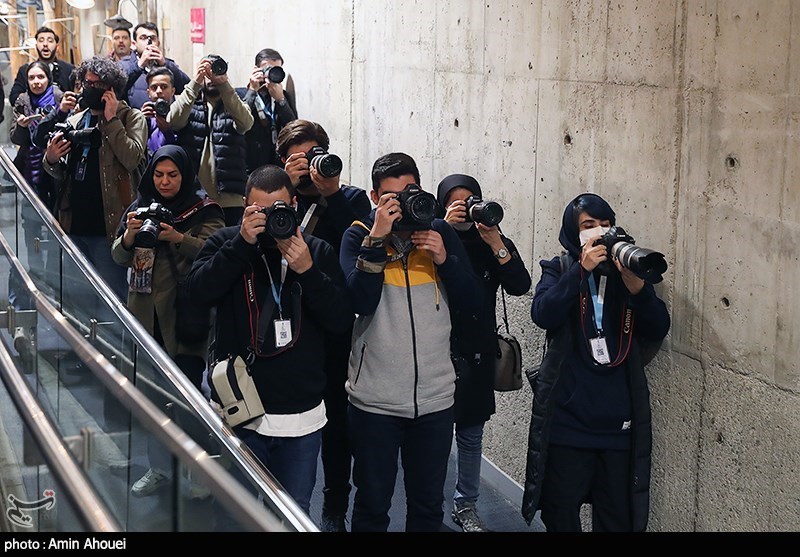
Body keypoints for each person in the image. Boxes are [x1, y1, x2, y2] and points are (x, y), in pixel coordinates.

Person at [186, 164, 354, 516]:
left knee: (293, 514)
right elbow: (197, 295)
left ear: (293, 206)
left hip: (302, 416)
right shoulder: (227, 243)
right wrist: (241, 244)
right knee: (236, 514)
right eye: (259, 211)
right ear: (245, 205)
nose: (269, 219)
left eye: (279, 210)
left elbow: (341, 321)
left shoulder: (317, 251)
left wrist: (308, 272)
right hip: (241, 411)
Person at [339, 152, 484, 532]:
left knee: (427, 507)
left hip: (435, 398)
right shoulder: (357, 235)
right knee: (372, 504)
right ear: (374, 198)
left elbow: (473, 305)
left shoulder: (440, 233)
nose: (403, 204)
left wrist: (445, 258)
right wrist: (376, 240)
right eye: (391, 196)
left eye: (410, 192)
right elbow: (359, 302)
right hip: (375, 402)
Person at [522, 192, 670, 532]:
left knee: (617, 519)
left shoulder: (626, 272)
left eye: (605, 224)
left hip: (618, 426)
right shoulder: (558, 268)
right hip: (568, 423)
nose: (598, 232)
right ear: (573, 233)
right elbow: (543, 314)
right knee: (561, 514)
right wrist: (579, 271)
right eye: (588, 226)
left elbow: (659, 327)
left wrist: (639, 290)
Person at [112, 145, 225, 498]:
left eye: (172, 175)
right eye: (159, 175)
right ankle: (159, 467)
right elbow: (118, 255)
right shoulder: (139, 207)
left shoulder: (204, 209)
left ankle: (198, 471)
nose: (164, 182)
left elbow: (217, 251)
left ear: (185, 175)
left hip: (185, 318)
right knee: (152, 402)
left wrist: (178, 237)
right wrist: (130, 235)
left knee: (190, 399)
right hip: (146, 319)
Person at [276, 119, 371, 531]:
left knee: (336, 427)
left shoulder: (347, 198)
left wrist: (329, 194)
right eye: (298, 158)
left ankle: (334, 507)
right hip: (281, 327)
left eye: (314, 154)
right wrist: (291, 188)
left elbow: (366, 241)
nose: (309, 165)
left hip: (332, 326)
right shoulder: (276, 199)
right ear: (282, 162)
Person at [436, 174, 532, 532]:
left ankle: (466, 505)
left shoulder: (490, 240)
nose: (464, 207)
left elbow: (520, 285)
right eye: (455, 201)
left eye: (471, 199)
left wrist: (495, 242)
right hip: (437, 349)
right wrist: (442, 228)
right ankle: (430, 503)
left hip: (476, 351)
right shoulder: (432, 236)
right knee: (434, 436)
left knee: (472, 435)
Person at [42, 55, 147, 303]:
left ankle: (116, 344)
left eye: (95, 84)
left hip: (109, 228)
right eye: (85, 83)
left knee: (112, 300)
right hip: (74, 224)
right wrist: (51, 159)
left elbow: (132, 158)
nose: (88, 89)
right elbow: (60, 172)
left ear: (111, 89)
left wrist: (110, 122)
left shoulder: (130, 118)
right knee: (76, 299)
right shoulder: (77, 119)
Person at [168, 55, 254, 227]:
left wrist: (224, 85)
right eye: (207, 70)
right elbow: (173, 121)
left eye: (217, 69)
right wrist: (195, 82)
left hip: (230, 198)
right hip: (194, 197)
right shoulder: (190, 103)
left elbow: (246, 123)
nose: (212, 76)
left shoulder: (234, 102)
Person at [240, 48, 297, 173]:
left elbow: (294, 128)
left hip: (276, 166)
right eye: (268, 69)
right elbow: (240, 121)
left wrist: (281, 100)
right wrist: (252, 91)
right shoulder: (241, 95)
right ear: (256, 69)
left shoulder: (283, 96)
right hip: (250, 165)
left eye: (277, 69)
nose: (272, 74)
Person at [121, 22, 190, 109]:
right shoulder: (125, 65)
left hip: (165, 120)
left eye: (153, 38)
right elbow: (118, 89)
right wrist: (139, 66)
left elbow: (186, 88)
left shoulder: (167, 64)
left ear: (158, 43)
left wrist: (165, 65)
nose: (148, 42)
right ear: (134, 43)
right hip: (136, 120)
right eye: (143, 38)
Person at [9, 26, 75, 106]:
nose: (45, 44)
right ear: (36, 46)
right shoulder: (25, 70)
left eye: (50, 41)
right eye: (41, 40)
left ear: (57, 47)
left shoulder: (69, 69)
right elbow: (14, 98)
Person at [140, 67, 178, 161]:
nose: (159, 91)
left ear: (173, 91)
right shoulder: (145, 114)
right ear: (148, 92)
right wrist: (140, 121)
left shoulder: (180, 115)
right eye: (154, 87)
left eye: (164, 87)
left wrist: (167, 132)